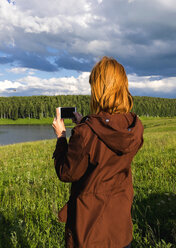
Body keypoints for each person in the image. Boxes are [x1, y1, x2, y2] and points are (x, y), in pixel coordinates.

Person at [52, 56, 144, 248]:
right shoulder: (133, 126)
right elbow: (106, 133)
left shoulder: (86, 133)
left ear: (99, 90)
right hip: (120, 229)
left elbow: (66, 172)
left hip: (89, 231)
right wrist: (84, 122)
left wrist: (61, 137)